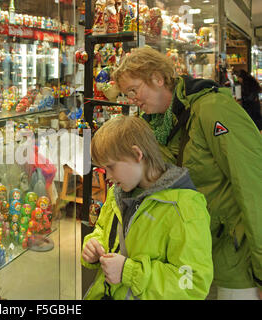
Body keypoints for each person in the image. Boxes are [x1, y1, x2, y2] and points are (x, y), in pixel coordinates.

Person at [112, 47, 262, 300]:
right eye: (127, 94)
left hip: (233, 258)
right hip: (189, 256)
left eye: (134, 90)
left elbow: (253, 185)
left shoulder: (212, 109)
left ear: (158, 78)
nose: (132, 99)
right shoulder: (157, 124)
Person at [81, 115, 213, 300]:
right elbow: (103, 229)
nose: (107, 177)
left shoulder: (185, 207)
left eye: (111, 167)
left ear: (137, 154)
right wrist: (94, 245)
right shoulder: (117, 193)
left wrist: (130, 272)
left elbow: (192, 284)